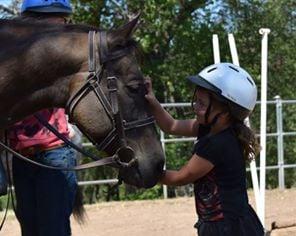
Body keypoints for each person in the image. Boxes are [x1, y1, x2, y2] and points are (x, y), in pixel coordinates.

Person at [145, 62, 265, 236]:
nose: (195, 107)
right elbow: (171, 125)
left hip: (227, 229)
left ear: (224, 113)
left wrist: (142, 174)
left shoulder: (218, 144)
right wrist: (151, 100)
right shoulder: (208, 128)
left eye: (201, 104)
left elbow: (180, 177)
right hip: (225, 224)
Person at [8, 0, 77, 235]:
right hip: (22, 157)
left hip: (54, 153)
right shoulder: (14, 59)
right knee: (30, 229)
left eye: (64, 22)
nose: (62, 29)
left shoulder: (62, 61)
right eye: (56, 22)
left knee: (52, 230)